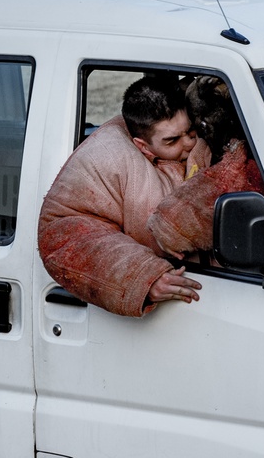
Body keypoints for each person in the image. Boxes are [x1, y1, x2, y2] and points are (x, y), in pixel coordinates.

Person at [37, 76, 212, 318]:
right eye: (172, 140)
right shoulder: (106, 158)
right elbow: (65, 231)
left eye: (191, 132)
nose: (189, 143)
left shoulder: (204, 136)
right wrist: (143, 275)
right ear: (142, 145)